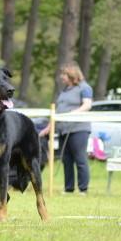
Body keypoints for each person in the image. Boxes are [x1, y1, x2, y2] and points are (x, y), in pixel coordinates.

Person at [39, 62, 93, 195]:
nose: (61, 77)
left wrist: (73, 113)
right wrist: (49, 127)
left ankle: (83, 189)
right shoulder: (64, 91)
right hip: (63, 129)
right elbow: (58, 110)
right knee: (66, 160)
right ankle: (69, 188)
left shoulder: (84, 87)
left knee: (80, 158)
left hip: (78, 129)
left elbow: (87, 105)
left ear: (72, 75)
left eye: (64, 74)